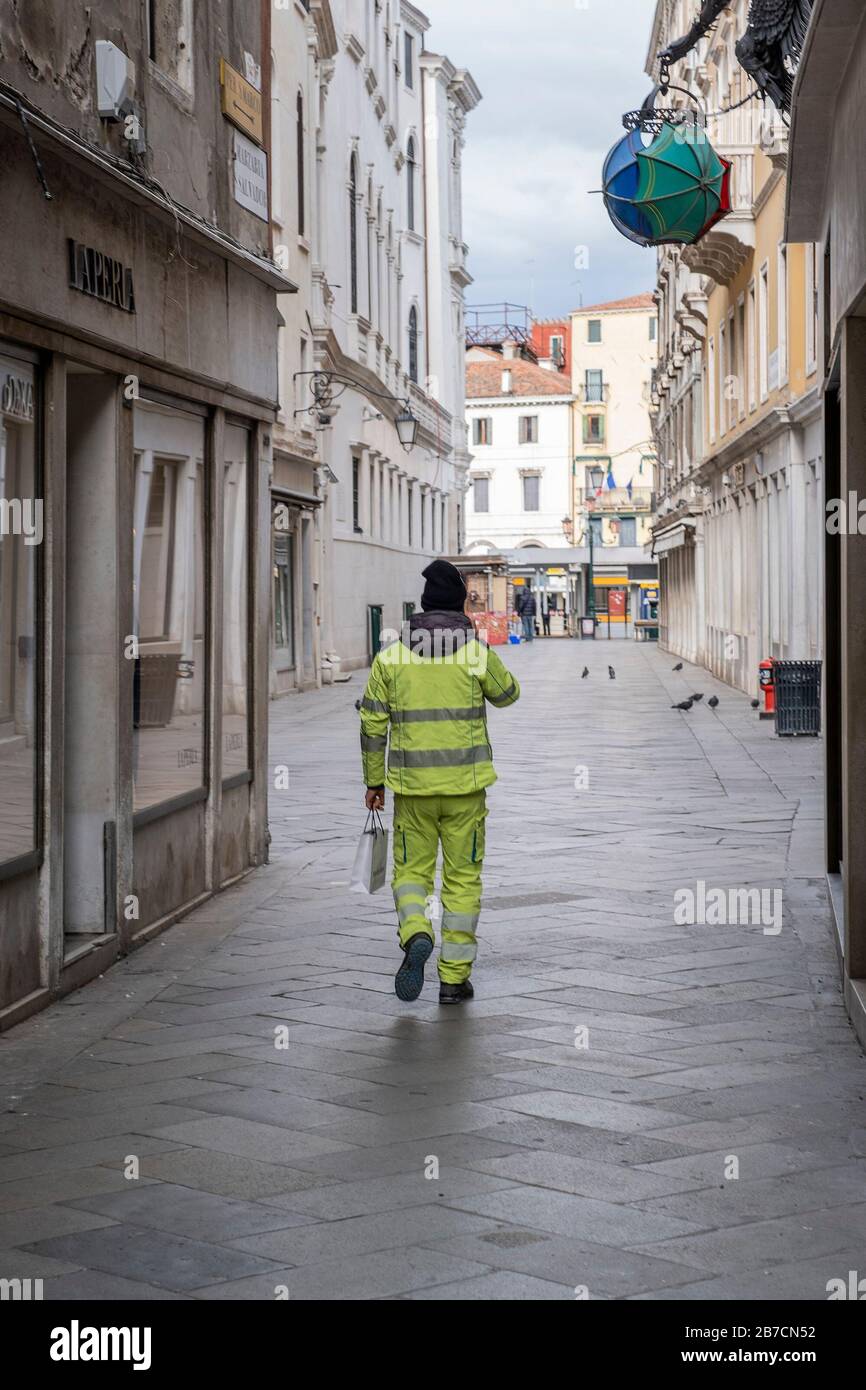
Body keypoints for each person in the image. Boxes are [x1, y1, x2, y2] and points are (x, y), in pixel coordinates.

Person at [359, 559, 520, 1005]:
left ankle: (414, 934)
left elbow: (372, 725)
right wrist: (480, 648)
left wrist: (375, 783)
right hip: (466, 793)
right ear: (459, 606)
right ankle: (453, 979)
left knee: (410, 874)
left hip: (412, 793)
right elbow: (508, 695)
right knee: (463, 880)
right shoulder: (473, 653)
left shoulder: (390, 657)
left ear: (423, 606)